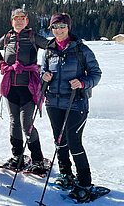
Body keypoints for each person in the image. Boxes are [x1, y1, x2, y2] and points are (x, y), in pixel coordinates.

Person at [41, 13, 101, 203]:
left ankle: (85, 181)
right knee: (59, 140)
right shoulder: (49, 50)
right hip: (53, 102)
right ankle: (66, 174)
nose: (58, 31)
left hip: (76, 103)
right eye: (54, 27)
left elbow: (96, 73)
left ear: (68, 27)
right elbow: (43, 70)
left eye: (62, 27)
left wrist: (83, 83)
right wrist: (45, 76)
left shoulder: (82, 50)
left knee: (74, 140)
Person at [0, 8, 48, 174]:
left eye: (22, 18)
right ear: (12, 21)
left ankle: (37, 159)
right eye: (16, 18)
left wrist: (41, 68)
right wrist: (2, 63)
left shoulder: (32, 36)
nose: (19, 21)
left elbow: (51, 47)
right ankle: (18, 156)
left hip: (28, 87)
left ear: (27, 21)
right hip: (10, 87)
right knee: (14, 122)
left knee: (26, 123)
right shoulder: (7, 37)